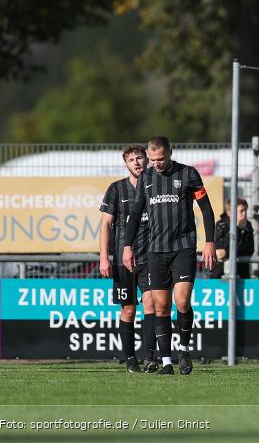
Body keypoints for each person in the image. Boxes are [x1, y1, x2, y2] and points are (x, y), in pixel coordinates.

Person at [123, 136, 217, 376]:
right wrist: (127, 246)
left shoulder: (188, 174)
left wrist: (209, 243)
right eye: (152, 159)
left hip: (183, 247)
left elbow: (206, 208)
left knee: (182, 302)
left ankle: (183, 349)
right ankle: (166, 362)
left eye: (160, 158)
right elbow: (134, 214)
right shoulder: (146, 177)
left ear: (170, 152)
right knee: (161, 307)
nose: (156, 163)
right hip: (155, 251)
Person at [99, 144, 157, 372]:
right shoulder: (116, 189)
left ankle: (150, 357)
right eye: (131, 159)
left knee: (152, 304)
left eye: (140, 158)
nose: (136, 162)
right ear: (126, 164)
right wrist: (104, 258)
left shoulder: (155, 186)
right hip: (124, 261)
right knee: (128, 310)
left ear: (147, 160)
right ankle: (131, 359)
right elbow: (105, 224)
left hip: (150, 256)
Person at [210, 198, 255, 279]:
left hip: (242, 273)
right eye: (241, 211)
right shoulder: (221, 224)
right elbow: (219, 247)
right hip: (220, 274)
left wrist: (227, 252)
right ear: (230, 213)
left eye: (245, 210)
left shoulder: (248, 225)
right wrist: (236, 228)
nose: (244, 214)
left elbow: (249, 250)